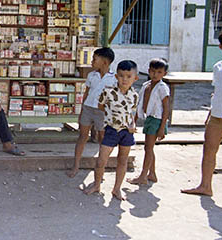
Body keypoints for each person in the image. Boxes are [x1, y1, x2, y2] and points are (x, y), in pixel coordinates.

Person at [182, 27, 222, 196]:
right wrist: (210, 112)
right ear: (221, 47)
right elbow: (217, 91)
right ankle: (205, 186)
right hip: (218, 114)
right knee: (209, 149)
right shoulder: (218, 67)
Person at [84, 60, 139, 201]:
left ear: (135, 78)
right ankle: (97, 185)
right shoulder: (108, 92)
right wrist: (111, 118)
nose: (124, 79)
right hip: (111, 130)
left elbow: (131, 113)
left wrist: (131, 124)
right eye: (121, 76)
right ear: (116, 77)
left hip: (126, 132)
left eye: (128, 76)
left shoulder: (135, 95)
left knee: (123, 161)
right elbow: (101, 106)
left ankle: (117, 189)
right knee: (101, 160)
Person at [67, 47, 116, 178]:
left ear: (105, 62)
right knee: (82, 137)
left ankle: (100, 168)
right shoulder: (91, 75)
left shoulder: (113, 78)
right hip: (88, 108)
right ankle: (75, 165)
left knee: (102, 140)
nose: (91, 62)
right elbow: (86, 93)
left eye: (94, 59)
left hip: (102, 112)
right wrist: (81, 110)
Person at [128, 58, 170, 185]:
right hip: (149, 118)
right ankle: (151, 173)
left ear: (164, 74)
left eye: (159, 72)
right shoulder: (146, 85)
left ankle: (143, 176)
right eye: (153, 71)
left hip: (156, 120)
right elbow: (139, 104)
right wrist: (133, 121)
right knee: (149, 148)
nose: (155, 74)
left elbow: (166, 109)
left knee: (148, 148)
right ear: (148, 72)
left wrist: (162, 128)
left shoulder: (162, 88)